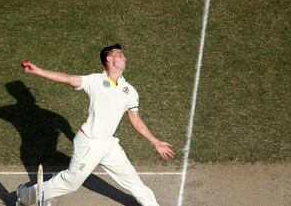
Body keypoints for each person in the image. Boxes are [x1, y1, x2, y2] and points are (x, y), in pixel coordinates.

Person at [17, 44, 175, 206]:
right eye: (120, 55)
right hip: (89, 143)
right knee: (71, 183)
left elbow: (135, 119)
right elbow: (67, 78)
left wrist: (155, 141)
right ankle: (24, 195)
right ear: (109, 59)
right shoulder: (95, 81)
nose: (125, 58)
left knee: (135, 183)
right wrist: (38, 70)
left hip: (109, 144)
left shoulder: (129, 90)